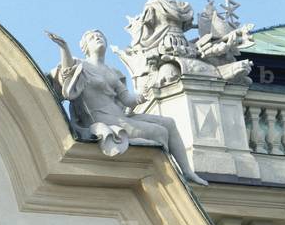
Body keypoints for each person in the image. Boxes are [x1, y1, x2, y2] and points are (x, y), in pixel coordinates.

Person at [47, 29, 207, 185]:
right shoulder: (80, 66)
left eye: (100, 35)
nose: (98, 38)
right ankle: (167, 180)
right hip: (104, 119)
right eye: (92, 37)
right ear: (85, 47)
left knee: (169, 123)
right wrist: (64, 47)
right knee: (159, 132)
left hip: (121, 117)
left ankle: (187, 172)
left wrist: (140, 96)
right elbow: (67, 74)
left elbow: (126, 99)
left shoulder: (112, 71)